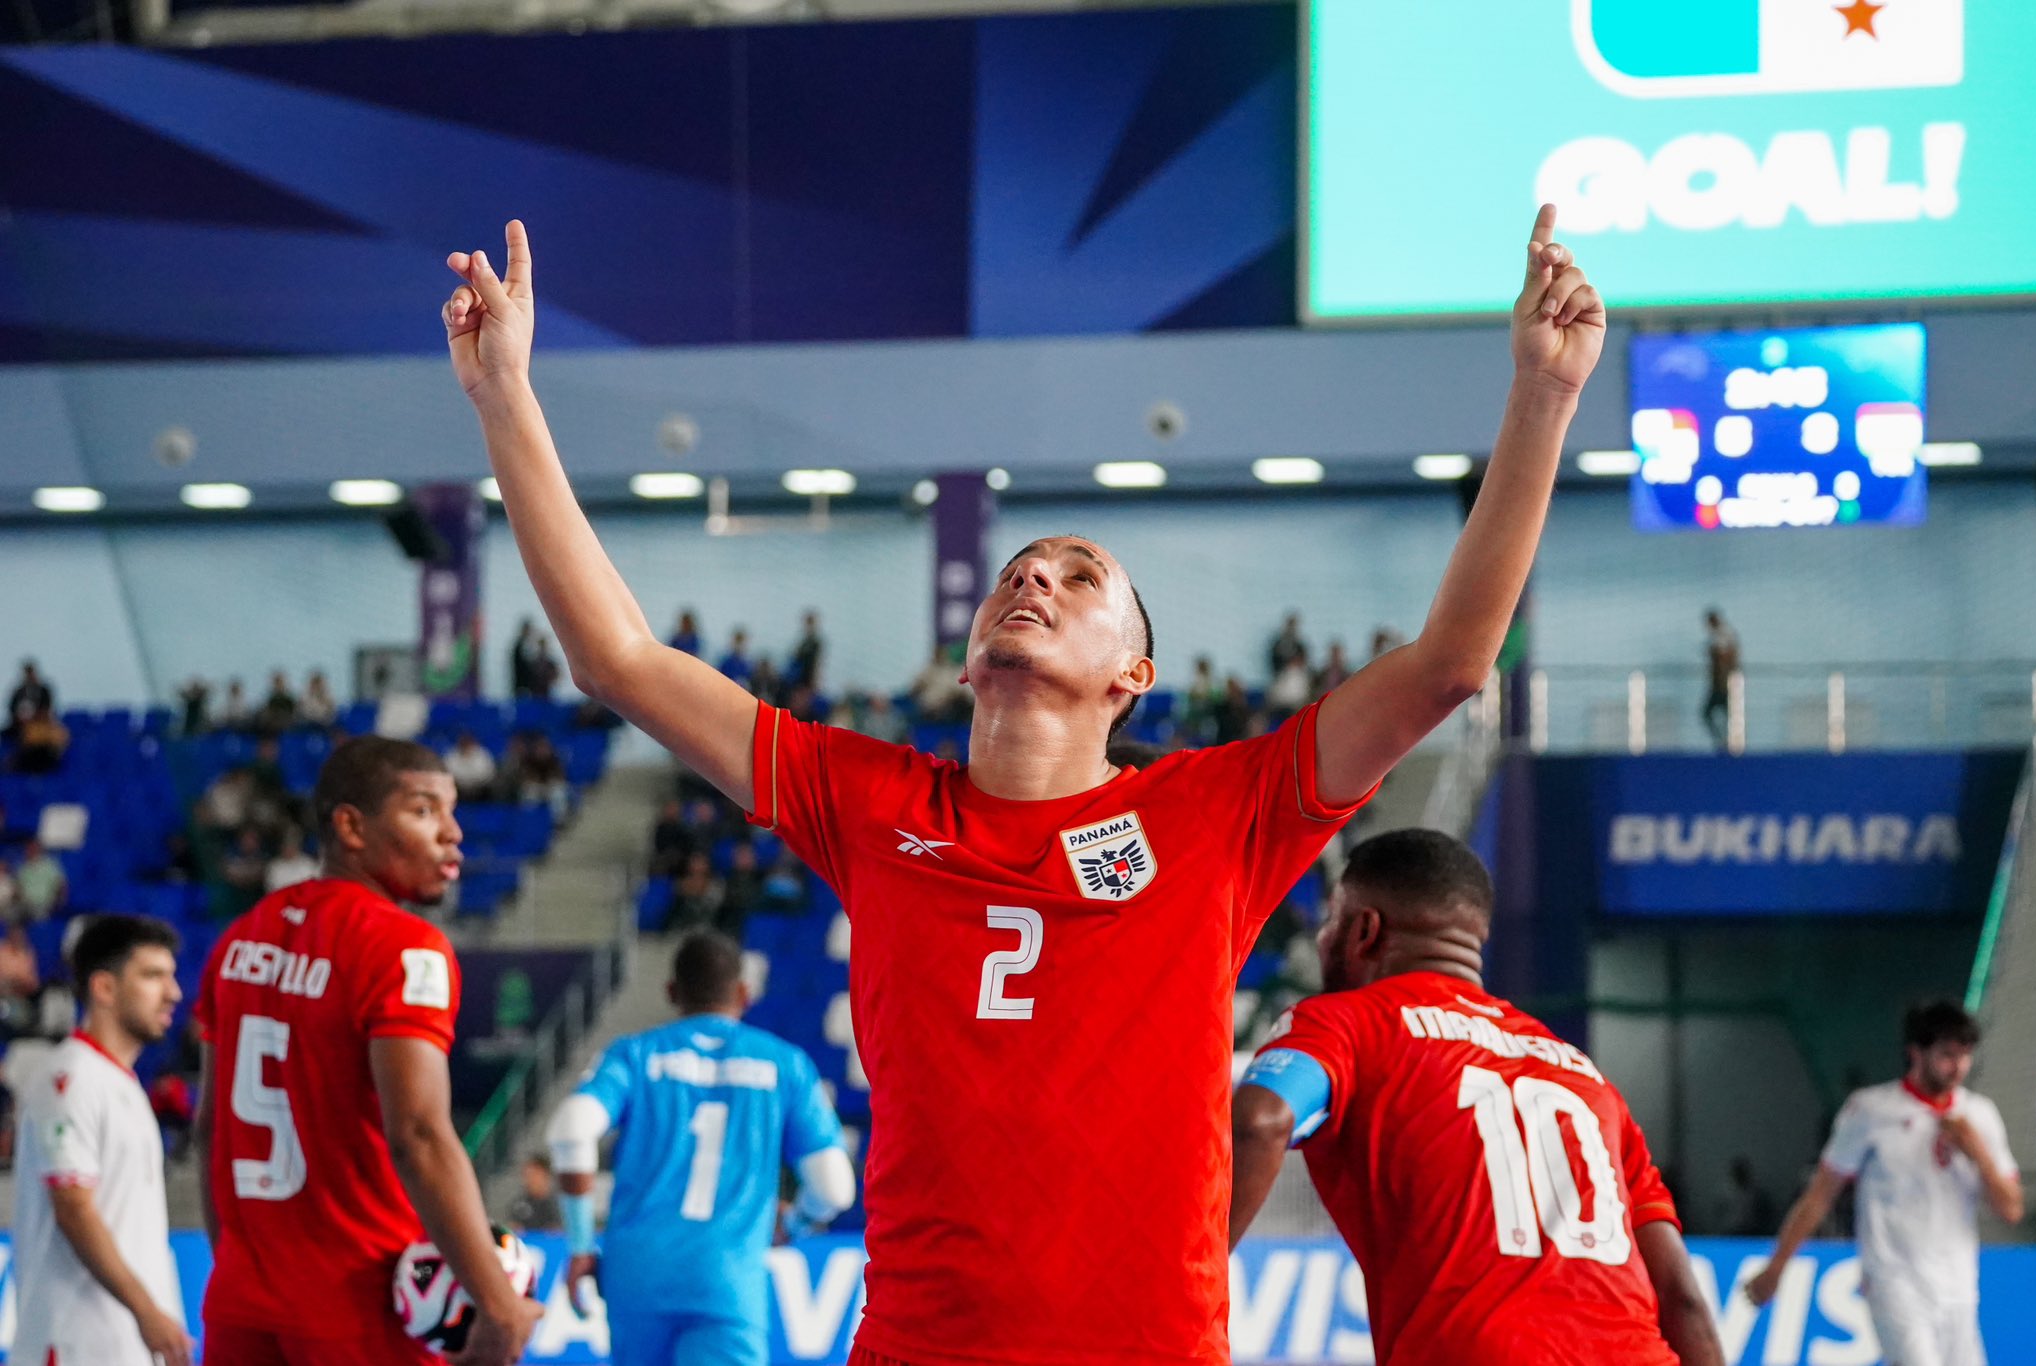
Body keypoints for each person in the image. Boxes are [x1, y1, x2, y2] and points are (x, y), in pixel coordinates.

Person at [442, 204, 1602, 1365]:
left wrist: (1542, 396)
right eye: (1014, 571)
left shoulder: (1216, 813)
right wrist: (505, 397)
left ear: (1132, 674)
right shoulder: (867, 799)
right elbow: (619, 660)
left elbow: (1451, 662)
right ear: (965, 653)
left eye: (1079, 575)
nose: (1034, 581)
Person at [1229, 831, 1721, 1366]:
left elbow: (1260, 1120)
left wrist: (1187, 1280)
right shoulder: (1586, 1078)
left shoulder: (1346, 1023)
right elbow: (1684, 1301)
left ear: (1364, 930)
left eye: (1330, 922)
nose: (1324, 940)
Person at [194, 736, 541, 1365]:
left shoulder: (239, 941)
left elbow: (210, 1131)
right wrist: (499, 1303)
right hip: (359, 1311)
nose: (453, 834)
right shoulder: (406, 948)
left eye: (453, 810)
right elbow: (419, 1136)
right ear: (351, 826)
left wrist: (240, 1268)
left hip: (239, 1306)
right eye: (424, 810)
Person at [545, 930, 855, 1366]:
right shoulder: (786, 1065)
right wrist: (795, 1224)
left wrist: (580, 1245)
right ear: (744, 993)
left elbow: (570, 1131)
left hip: (636, 1276)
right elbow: (835, 1189)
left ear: (672, 992)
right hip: (727, 1278)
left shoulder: (634, 1055)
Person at [1746, 1000, 2021, 1366]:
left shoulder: (1980, 1116)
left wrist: (1977, 1153)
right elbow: (1820, 1196)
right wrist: (1778, 1265)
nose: (1958, 1067)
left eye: (1965, 1055)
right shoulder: (1871, 1111)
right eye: (1947, 1055)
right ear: (1915, 1053)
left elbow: (2011, 1209)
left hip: (1959, 1287)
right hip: (1894, 1281)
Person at [13, 914, 192, 1366]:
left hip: (120, 1346)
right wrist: (147, 1311)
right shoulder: (70, 1079)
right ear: (104, 989)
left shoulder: (121, 1084)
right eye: (153, 976)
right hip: (73, 1346)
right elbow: (74, 1206)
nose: (173, 992)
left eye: (171, 976)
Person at [1702, 609, 1739, 750]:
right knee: (1725, 713)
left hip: (1721, 684)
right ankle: (1727, 740)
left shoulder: (1722, 636)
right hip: (1721, 683)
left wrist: (1722, 679)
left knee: (1709, 713)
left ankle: (1725, 741)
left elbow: (1725, 658)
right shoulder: (1724, 635)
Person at [506, 1154, 562, 1234]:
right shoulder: (519, 1205)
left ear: (545, 1175)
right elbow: (514, 1229)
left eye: (534, 1174)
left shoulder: (559, 1205)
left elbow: (559, 1232)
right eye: (527, 1175)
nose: (530, 1180)